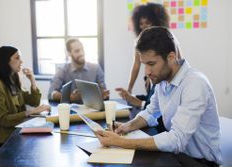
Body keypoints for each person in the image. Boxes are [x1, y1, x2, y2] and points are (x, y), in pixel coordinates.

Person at [96, 27, 222, 167]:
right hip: (177, 156)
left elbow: (176, 140)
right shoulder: (162, 81)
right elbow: (150, 113)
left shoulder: (195, 83)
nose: (147, 72)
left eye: (151, 64)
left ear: (171, 58)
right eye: (145, 64)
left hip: (199, 163)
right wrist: (126, 127)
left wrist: (119, 142)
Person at [0, 46, 50, 153]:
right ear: (5, 61)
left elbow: (34, 101)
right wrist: (31, 112)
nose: (21, 61)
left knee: (41, 140)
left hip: (12, 131)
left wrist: (32, 80)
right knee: (36, 146)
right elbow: (4, 120)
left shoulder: (12, 79)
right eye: (17, 58)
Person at [48, 38, 109, 103]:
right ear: (69, 53)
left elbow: (103, 91)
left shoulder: (96, 68)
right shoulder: (62, 70)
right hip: (71, 111)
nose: (81, 53)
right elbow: (51, 94)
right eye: (77, 51)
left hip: (93, 111)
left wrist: (104, 94)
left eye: (82, 49)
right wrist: (69, 97)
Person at [127, 2, 170, 93]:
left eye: (147, 22)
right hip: (151, 80)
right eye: (141, 23)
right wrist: (129, 88)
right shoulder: (140, 41)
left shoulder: (165, 38)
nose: (144, 26)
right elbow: (136, 65)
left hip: (164, 80)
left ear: (155, 22)